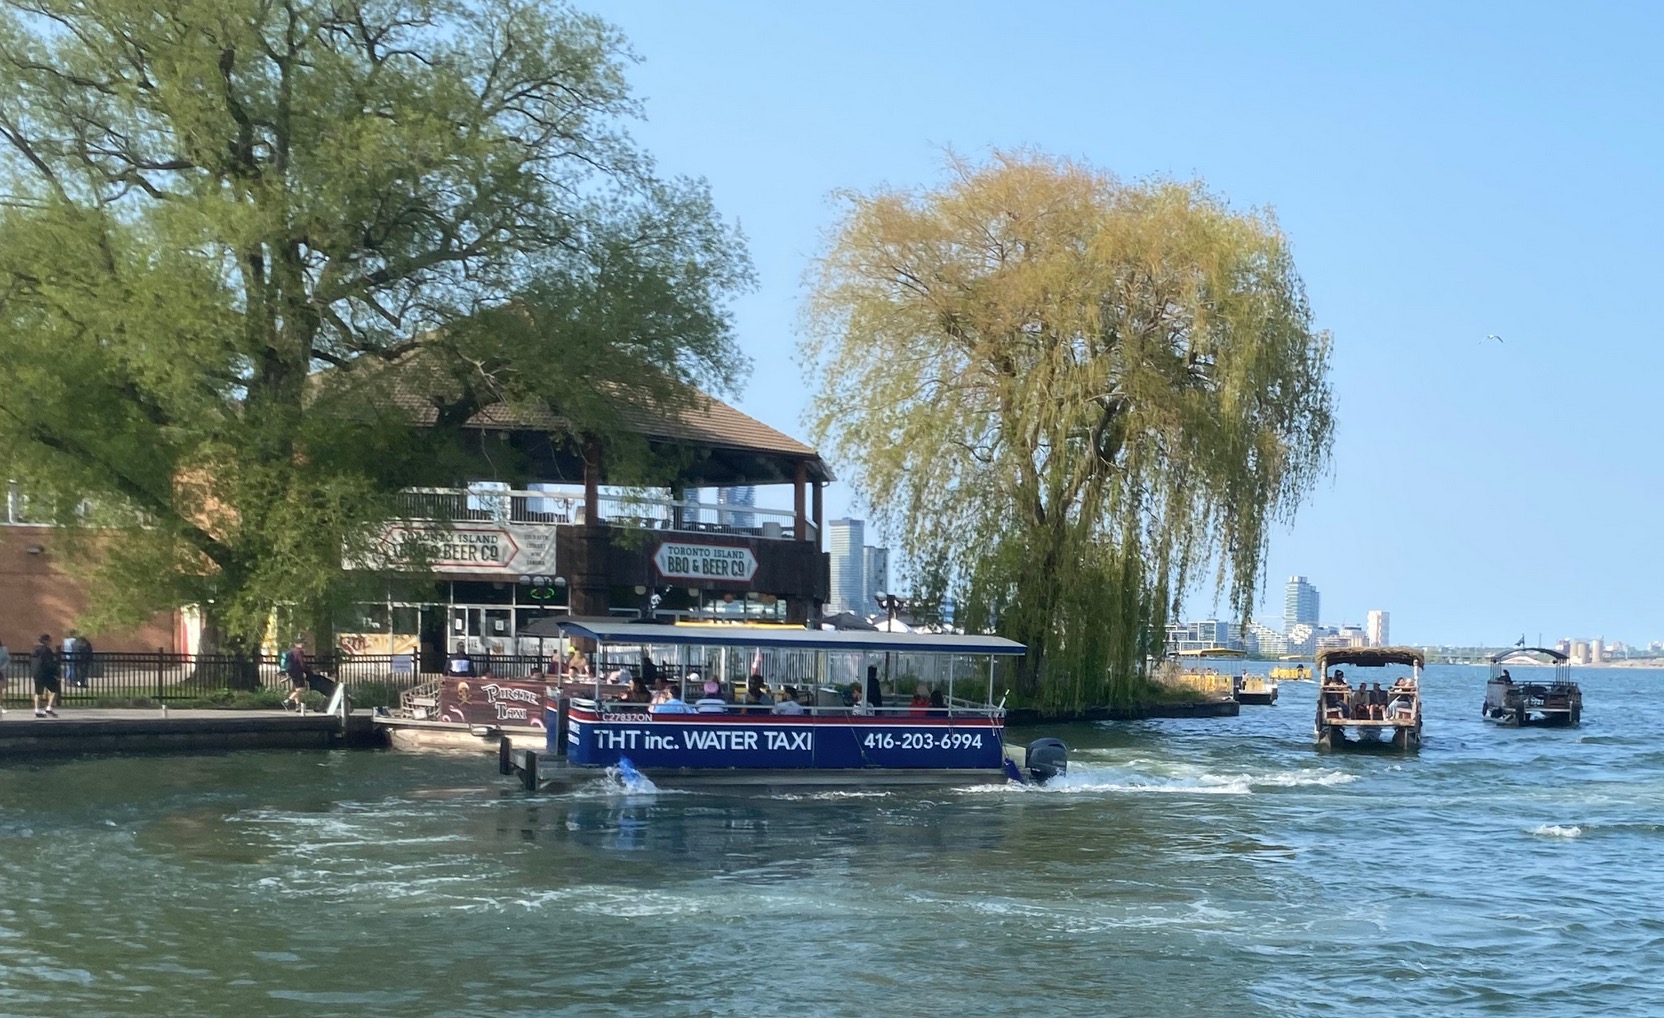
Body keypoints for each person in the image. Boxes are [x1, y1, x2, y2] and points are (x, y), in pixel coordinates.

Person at [31, 633, 60, 718]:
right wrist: (56, 672)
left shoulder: (34, 650)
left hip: (36, 673)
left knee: (38, 692)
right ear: (45, 641)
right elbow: (49, 663)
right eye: (49, 640)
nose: (50, 642)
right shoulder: (46, 650)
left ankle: (37, 709)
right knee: (55, 689)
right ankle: (49, 708)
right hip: (46, 673)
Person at [283, 640, 310, 711]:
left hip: (291, 671)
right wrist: (306, 670)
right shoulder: (299, 652)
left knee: (297, 689)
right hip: (297, 672)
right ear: (297, 644)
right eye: (302, 643)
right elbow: (301, 662)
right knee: (302, 689)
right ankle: (287, 701)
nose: (303, 645)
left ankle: (298, 706)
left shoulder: (291, 651)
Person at [0, 637, 10, 716]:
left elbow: (7, 659)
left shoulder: (4, 649)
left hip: (1, 671)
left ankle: (0, 706)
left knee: (0, 690)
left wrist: (3, 667)